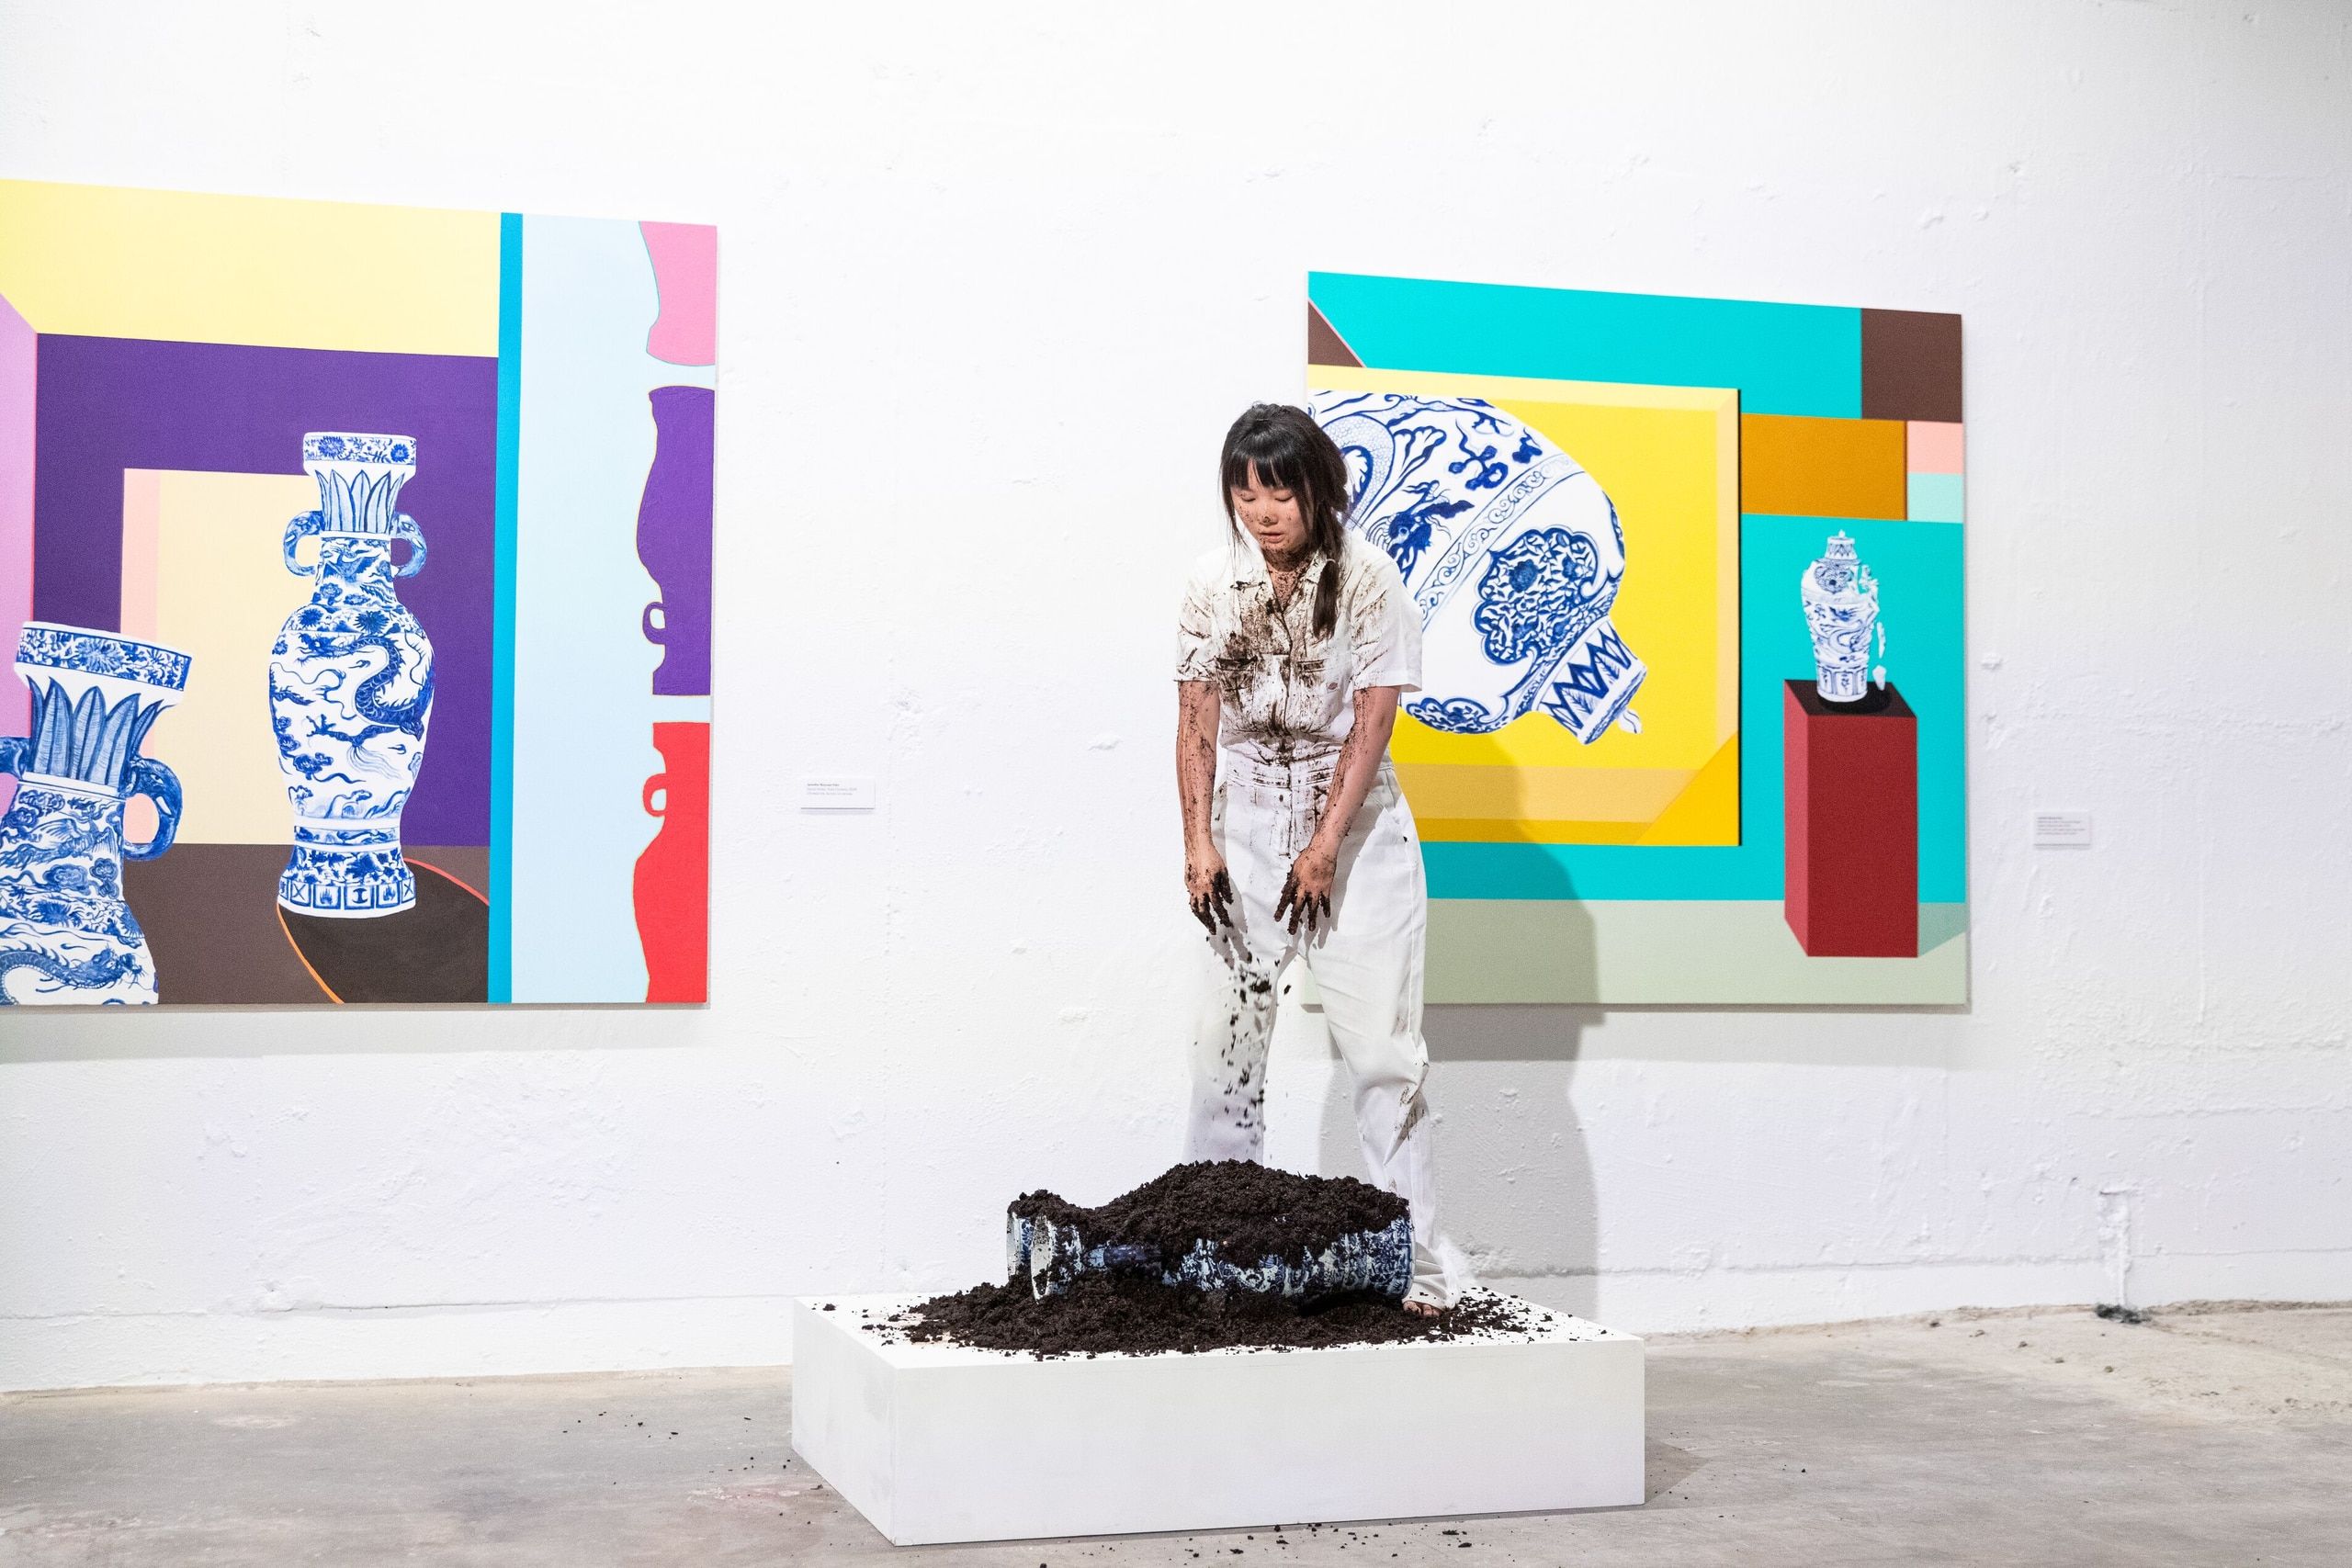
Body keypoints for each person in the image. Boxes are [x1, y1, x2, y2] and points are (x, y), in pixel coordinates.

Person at [1174, 401, 1452, 1314]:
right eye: (1244, 492)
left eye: (1278, 491)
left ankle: (1410, 1266)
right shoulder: (1212, 584)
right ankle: (1217, 1254)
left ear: (1315, 488)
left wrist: (1328, 845)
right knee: (1225, 1051)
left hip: (1357, 843)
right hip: (1247, 840)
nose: (1261, 510)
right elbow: (1194, 716)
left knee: (1382, 1057)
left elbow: (1375, 718)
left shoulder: (1369, 581)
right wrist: (1198, 841)